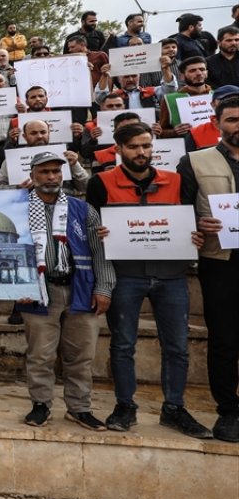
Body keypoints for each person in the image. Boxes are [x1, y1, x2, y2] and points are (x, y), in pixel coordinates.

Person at [84, 122, 211, 437]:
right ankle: (125, 405)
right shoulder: (100, 182)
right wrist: (97, 233)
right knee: (123, 344)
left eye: (146, 146)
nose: (142, 153)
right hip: (125, 276)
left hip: (171, 276)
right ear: (118, 150)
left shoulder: (177, 181)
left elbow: (191, 219)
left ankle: (174, 408)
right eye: (134, 147)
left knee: (178, 346)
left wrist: (195, 233)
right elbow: (90, 226)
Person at [18, 152, 115, 431]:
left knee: (81, 355)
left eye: (56, 172)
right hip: (38, 290)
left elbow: (101, 252)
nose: (51, 177)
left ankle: (79, 407)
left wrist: (104, 287)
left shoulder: (82, 209)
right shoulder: (18, 208)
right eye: (45, 172)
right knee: (40, 355)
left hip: (79, 288)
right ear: (33, 174)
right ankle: (41, 404)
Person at [179, 95, 239, 442]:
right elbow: (181, 212)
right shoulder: (195, 160)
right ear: (217, 124)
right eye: (231, 119)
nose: (237, 126)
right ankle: (228, 411)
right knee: (224, 339)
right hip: (220, 263)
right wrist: (199, 224)